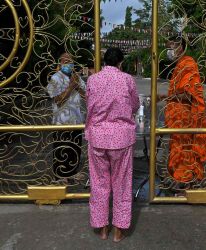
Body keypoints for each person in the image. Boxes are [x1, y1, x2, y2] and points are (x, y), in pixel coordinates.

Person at [85, 48, 140, 242]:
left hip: (98, 137)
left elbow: (89, 105)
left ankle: (102, 229)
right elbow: (134, 105)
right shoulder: (127, 79)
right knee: (122, 184)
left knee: (99, 184)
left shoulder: (93, 79)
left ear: (104, 62)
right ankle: (118, 230)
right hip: (121, 139)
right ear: (120, 63)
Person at [158, 35, 206, 186]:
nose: (169, 51)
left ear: (180, 47)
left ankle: (185, 184)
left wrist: (169, 96)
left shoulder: (188, 63)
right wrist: (166, 96)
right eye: (168, 48)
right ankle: (183, 182)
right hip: (177, 118)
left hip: (184, 118)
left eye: (171, 47)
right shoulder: (180, 64)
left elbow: (189, 94)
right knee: (179, 150)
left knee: (184, 151)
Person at [47, 53, 86, 181]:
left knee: (74, 149)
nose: (68, 64)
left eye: (70, 61)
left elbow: (86, 96)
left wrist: (77, 85)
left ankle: (72, 173)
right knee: (61, 149)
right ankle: (59, 176)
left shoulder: (77, 78)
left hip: (76, 120)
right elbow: (58, 100)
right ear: (60, 63)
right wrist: (70, 86)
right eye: (66, 61)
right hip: (61, 122)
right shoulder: (55, 78)